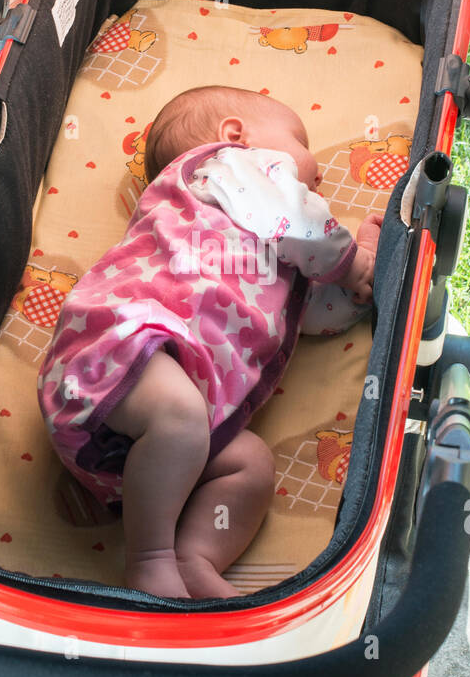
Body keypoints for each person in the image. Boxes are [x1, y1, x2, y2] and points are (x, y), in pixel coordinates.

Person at [38, 85, 383, 600]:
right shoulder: (225, 168)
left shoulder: (280, 250)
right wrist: (351, 259)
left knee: (251, 466)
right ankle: (149, 559)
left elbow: (313, 312)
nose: (318, 177)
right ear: (236, 135)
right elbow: (296, 218)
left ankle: (195, 556)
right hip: (118, 344)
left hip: (140, 451)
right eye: (301, 146)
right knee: (179, 417)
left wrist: (367, 278)